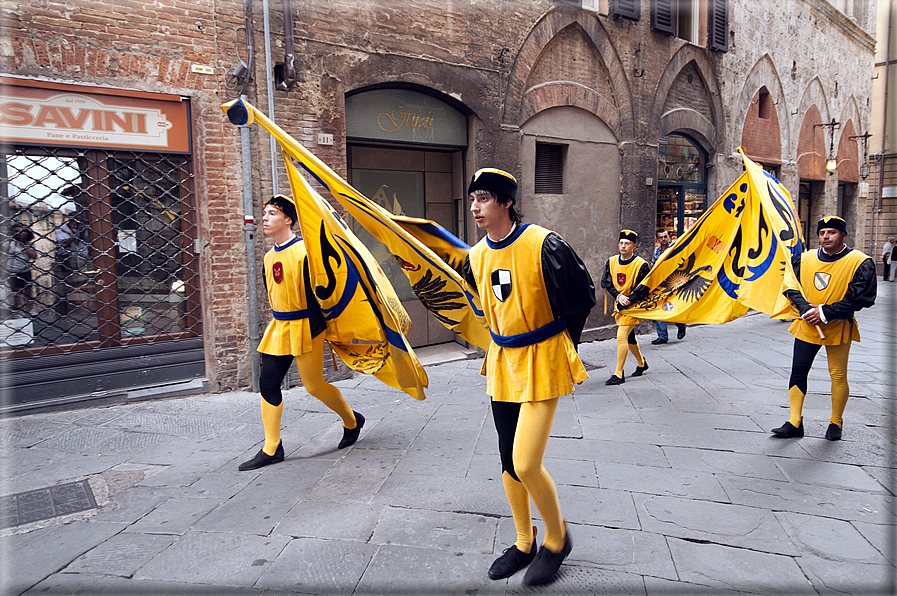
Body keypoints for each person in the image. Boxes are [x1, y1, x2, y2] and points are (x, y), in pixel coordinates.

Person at [462, 168, 595, 586]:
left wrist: (561, 346)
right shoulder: (477, 254)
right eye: (472, 199)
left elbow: (581, 298)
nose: (474, 207)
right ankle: (524, 541)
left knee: (526, 461)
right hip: (503, 358)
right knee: (507, 459)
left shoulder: (544, 244)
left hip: (542, 356)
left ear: (506, 202)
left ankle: (557, 539)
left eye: (483, 198)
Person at [239, 194, 364, 471]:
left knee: (313, 385)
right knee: (268, 383)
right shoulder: (269, 256)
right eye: (264, 213)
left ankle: (352, 420)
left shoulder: (307, 252)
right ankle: (272, 447)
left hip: (308, 325)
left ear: (288, 220)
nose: (265, 218)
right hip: (280, 326)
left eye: (272, 213)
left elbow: (326, 293)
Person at [771, 216, 876, 441]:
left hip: (838, 325)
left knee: (837, 375)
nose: (826, 237)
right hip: (808, 325)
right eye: (822, 233)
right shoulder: (805, 258)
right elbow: (791, 285)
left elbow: (862, 298)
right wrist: (805, 309)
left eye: (832, 232)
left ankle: (835, 421)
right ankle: (794, 421)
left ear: (843, 235)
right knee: (798, 371)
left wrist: (825, 312)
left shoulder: (860, 261)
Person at [601, 230, 650, 385]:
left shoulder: (641, 264)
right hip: (619, 304)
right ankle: (642, 363)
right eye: (621, 243)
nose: (623, 246)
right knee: (630, 338)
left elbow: (644, 287)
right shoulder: (611, 261)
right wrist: (618, 296)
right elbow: (606, 282)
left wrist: (629, 299)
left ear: (634, 245)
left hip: (632, 306)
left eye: (627, 243)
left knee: (621, 336)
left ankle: (618, 373)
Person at [650, 229, 686, 344]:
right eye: (661, 237)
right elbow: (653, 267)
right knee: (659, 308)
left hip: (675, 283)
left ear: (668, 236)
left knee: (673, 307)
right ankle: (662, 336)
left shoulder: (675, 249)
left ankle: (681, 325)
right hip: (661, 284)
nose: (664, 239)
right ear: (657, 239)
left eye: (665, 236)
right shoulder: (657, 252)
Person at [54, 216, 90, 316]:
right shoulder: (61, 230)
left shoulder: (81, 229)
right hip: (69, 258)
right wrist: (77, 232)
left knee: (81, 281)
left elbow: (85, 240)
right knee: (74, 282)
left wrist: (81, 231)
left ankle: (82, 304)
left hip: (81, 257)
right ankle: (77, 305)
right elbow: (64, 242)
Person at [1, 224, 38, 314]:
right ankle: (16, 310)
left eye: (22, 231)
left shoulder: (30, 244)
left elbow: (34, 256)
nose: (20, 233)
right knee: (15, 292)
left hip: (25, 270)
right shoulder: (8, 244)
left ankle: (30, 309)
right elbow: (3, 257)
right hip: (12, 271)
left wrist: (23, 247)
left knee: (28, 291)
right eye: (16, 231)